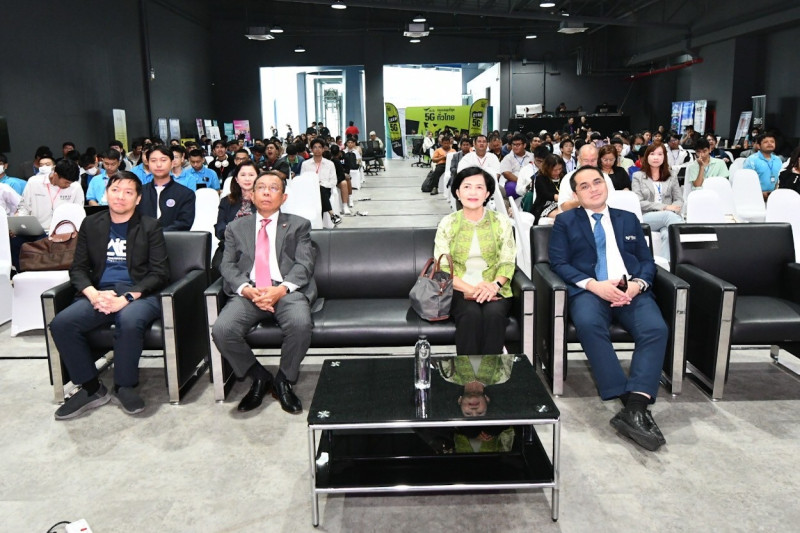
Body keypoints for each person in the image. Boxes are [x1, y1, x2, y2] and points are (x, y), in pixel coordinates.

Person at [549, 166, 668, 451]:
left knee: (656, 329)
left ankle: (635, 407)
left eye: (597, 182)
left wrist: (638, 284)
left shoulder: (628, 219)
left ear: (606, 185)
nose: (593, 189)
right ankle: (629, 401)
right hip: (590, 290)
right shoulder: (565, 221)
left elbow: (646, 261)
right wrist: (594, 285)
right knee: (589, 325)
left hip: (630, 289)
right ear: (576, 194)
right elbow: (558, 263)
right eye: (584, 186)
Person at [50, 171, 170, 419]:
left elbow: (159, 273)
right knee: (62, 323)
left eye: (128, 192)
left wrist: (125, 299)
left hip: (139, 294)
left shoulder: (150, 226)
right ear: (106, 193)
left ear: (138, 199)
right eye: (115, 190)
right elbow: (78, 268)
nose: (120, 196)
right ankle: (91, 388)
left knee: (129, 320)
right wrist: (93, 294)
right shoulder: (91, 224)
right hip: (100, 292)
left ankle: (124, 386)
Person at [212, 173, 317, 414]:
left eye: (273, 188)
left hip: (286, 290)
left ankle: (284, 380)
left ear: (284, 197)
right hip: (250, 291)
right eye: (261, 187)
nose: (267, 192)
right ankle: (259, 376)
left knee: (300, 324)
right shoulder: (235, 228)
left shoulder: (299, 225)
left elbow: (304, 264)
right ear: (251, 195)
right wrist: (247, 290)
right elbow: (227, 265)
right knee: (222, 330)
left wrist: (280, 289)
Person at [433, 167, 516, 356]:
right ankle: (468, 372)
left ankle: (490, 370)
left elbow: (507, 261)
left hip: (495, 289)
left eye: (479, 187)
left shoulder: (501, 222)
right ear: (457, 192)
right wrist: (472, 289)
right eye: (467, 187)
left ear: (487, 194)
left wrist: (494, 286)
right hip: (458, 289)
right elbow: (443, 268)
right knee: (470, 314)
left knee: (494, 315)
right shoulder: (448, 223)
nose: (473, 192)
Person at [12, 157, 84, 272]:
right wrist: (18, 222)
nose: (68, 185)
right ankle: (22, 273)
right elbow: (24, 207)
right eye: (66, 182)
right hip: (36, 230)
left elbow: (79, 213)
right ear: (55, 174)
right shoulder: (34, 182)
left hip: (62, 233)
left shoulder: (75, 187)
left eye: (70, 183)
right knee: (15, 241)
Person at [632, 143, 683, 260]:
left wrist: (673, 209)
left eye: (660, 154)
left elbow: (679, 199)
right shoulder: (638, 176)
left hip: (668, 218)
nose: (656, 157)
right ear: (647, 157)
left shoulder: (672, 176)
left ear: (664, 157)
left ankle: (666, 267)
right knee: (667, 216)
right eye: (652, 154)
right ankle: (687, 236)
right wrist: (665, 207)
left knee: (667, 233)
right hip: (646, 217)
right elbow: (639, 202)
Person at [136, 147, 195, 231]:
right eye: (153, 161)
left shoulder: (186, 193)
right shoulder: (139, 192)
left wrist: (158, 234)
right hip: (143, 237)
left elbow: (184, 223)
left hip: (172, 238)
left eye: (163, 160)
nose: (158, 164)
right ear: (148, 164)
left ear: (172, 163)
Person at [301, 138, 340, 224]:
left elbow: (334, 181)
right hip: (310, 190)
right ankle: (332, 214)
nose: (317, 149)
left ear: (323, 149)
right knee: (319, 192)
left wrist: (321, 184)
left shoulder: (330, 164)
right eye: (315, 147)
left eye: (319, 147)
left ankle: (320, 223)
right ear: (311, 149)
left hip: (326, 189)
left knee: (321, 190)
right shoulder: (305, 164)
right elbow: (303, 180)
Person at [527, 154, 564, 224]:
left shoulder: (563, 176)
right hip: (544, 205)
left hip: (561, 203)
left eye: (560, 169)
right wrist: (563, 197)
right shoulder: (540, 178)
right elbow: (546, 194)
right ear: (547, 168)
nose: (558, 172)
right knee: (562, 215)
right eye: (555, 170)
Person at [744, 133, 781, 199]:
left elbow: (779, 179)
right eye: (766, 142)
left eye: (772, 142)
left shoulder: (778, 160)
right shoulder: (751, 160)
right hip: (755, 197)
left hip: (774, 197)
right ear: (758, 146)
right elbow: (746, 181)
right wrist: (759, 194)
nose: (770, 144)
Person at [499, 133, 532, 199]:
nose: (515, 147)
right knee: (511, 187)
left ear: (524, 145)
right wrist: (521, 182)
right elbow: (507, 173)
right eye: (513, 144)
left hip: (530, 182)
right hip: (514, 182)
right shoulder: (508, 158)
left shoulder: (532, 156)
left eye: (518, 145)